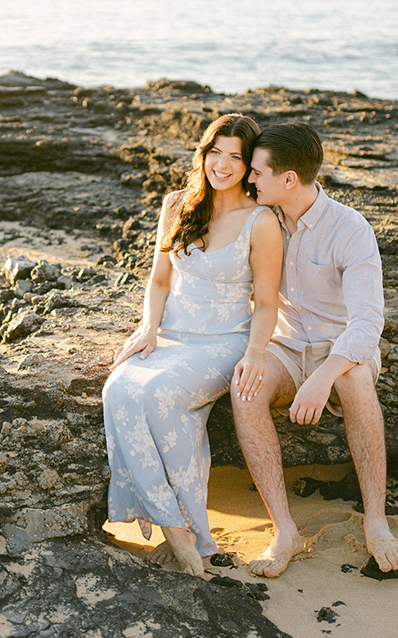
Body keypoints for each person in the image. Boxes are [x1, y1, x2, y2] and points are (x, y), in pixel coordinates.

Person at [103, 113, 282, 576]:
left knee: (157, 397)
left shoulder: (261, 222)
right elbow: (159, 281)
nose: (222, 164)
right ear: (203, 153)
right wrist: (148, 328)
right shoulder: (177, 203)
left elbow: (265, 303)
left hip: (224, 343)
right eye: (214, 152)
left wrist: (256, 353)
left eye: (235, 157)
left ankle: (183, 534)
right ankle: (178, 529)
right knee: (118, 389)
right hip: (171, 336)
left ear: (248, 166)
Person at [230, 121, 398, 578]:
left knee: (352, 376)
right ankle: (284, 529)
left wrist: (323, 377)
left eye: (256, 172)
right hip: (287, 347)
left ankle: (375, 522)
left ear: (288, 179)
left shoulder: (349, 229)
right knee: (244, 387)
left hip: (341, 349)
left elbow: (368, 322)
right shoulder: (261, 220)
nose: (249, 179)